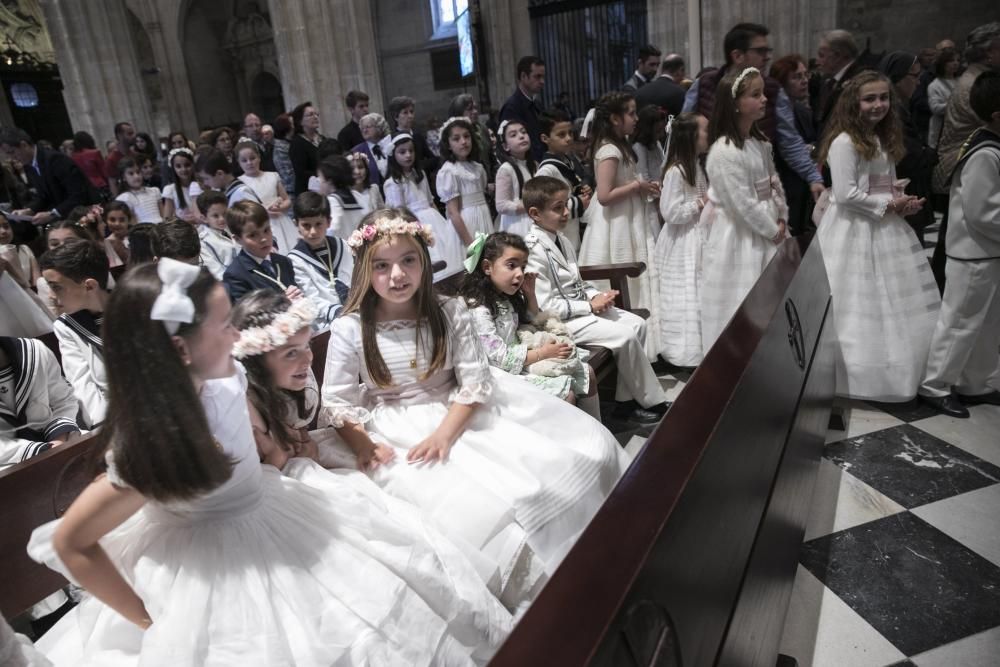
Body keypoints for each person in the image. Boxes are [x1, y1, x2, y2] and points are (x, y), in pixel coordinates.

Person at [27, 260, 511, 664]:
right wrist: (147, 620)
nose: (238, 333)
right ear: (181, 349)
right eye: (224, 325)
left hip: (275, 510)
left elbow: (255, 430)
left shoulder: (229, 374)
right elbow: (73, 543)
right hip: (214, 564)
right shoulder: (152, 447)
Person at [322, 208, 629, 607]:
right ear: (364, 269)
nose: (396, 276)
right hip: (394, 426)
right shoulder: (350, 328)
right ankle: (534, 597)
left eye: (408, 261)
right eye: (381, 266)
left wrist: (444, 434)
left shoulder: (449, 311)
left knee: (569, 458)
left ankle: (599, 559)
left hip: (461, 409)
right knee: (472, 509)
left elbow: (474, 380)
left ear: (423, 260)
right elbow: (337, 400)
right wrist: (363, 445)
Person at [815, 71, 940, 402]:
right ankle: (858, 374)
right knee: (856, 298)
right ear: (854, 103)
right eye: (869, 99)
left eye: (884, 97)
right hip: (853, 230)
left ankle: (898, 364)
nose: (878, 105)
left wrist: (903, 203)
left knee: (892, 299)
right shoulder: (844, 142)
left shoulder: (882, 139)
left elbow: (882, 182)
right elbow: (845, 195)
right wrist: (889, 203)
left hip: (884, 226)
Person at [523, 176, 669, 424]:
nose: (566, 212)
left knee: (637, 324)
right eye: (558, 208)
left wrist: (596, 295)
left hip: (579, 311)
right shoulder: (533, 249)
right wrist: (589, 306)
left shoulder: (562, 239)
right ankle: (651, 401)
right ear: (535, 214)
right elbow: (545, 305)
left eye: (566, 205)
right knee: (624, 336)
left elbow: (576, 281)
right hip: (557, 323)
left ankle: (626, 403)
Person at [919, 72, 1000, 417]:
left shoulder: (990, 145)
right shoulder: (985, 153)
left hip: (989, 251)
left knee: (987, 323)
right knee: (960, 321)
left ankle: (974, 383)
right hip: (973, 254)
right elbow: (983, 212)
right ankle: (935, 385)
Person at [684, 23, 825, 206]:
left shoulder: (773, 90)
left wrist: (813, 177)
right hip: (708, 184)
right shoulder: (705, 84)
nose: (767, 57)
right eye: (760, 51)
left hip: (754, 188)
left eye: (768, 50)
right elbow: (682, 133)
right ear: (737, 56)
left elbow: (790, 140)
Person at [699, 67, 789, 352]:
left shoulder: (760, 143)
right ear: (735, 103)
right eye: (755, 94)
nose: (764, 99)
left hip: (768, 224)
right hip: (740, 234)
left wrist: (783, 215)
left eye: (763, 93)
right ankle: (736, 355)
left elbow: (774, 183)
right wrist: (772, 230)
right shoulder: (724, 151)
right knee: (742, 293)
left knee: (772, 296)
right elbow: (740, 203)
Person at [460, 231, 595, 412]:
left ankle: (596, 430)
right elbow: (500, 359)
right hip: (502, 373)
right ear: (487, 267)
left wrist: (530, 294)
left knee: (588, 373)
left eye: (522, 267)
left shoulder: (504, 297)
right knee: (567, 394)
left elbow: (529, 321)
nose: (519, 273)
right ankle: (572, 437)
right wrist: (543, 353)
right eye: (511, 265)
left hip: (523, 359)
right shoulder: (479, 310)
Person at [577, 91, 662, 358]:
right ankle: (634, 348)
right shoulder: (609, 150)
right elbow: (604, 196)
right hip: (616, 225)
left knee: (640, 278)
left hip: (629, 219)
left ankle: (647, 347)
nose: (636, 118)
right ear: (615, 118)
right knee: (627, 278)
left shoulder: (620, 145)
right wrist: (637, 185)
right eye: (631, 113)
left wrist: (642, 187)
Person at [655, 112, 709, 367]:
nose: (709, 136)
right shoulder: (676, 171)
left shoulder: (695, 165)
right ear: (691, 136)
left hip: (698, 235)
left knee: (700, 293)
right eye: (705, 131)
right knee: (685, 293)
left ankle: (702, 348)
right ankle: (682, 353)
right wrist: (701, 203)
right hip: (682, 241)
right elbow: (671, 212)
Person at [40, 239, 110, 427]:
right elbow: (83, 385)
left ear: (89, 286)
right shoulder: (66, 326)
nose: (51, 296)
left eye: (56, 287)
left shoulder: (135, 305)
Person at [384, 133, 464, 281]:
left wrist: (441, 220)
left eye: (411, 151)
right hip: (413, 222)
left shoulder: (419, 174)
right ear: (393, 155)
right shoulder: (393, 182)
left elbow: (429, 200)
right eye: (402, 152)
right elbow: (398, 212)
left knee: (448, 254)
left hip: (432, 219)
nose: (408, 155)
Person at [879, 51, 938, 240]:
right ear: (897, 78)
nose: (919, 82)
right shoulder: (893, 111)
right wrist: (931, 154)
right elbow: (908, 156)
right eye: (915, 76)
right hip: (902, 193)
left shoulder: (900, 106)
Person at [0, 335, 79, 465]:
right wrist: (41, 450)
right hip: (8, 462)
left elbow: (64, 400)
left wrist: (58, 441)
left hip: (61, 439)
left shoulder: (35, 351)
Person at [1, 127, 99, 229]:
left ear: (24, 145)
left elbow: (78, 195)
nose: (11, 158)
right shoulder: (28, 165)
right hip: (66, 219)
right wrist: (29, 210)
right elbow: (43, 196)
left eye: (12, 152)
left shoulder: (55, 159)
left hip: (85, 215)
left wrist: (52, 214)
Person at [288, 191, 353, 331]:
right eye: (306, 225)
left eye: (318, 224)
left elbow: (355, 277)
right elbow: (311, 299)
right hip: (327, 323)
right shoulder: (295, 260)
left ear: (329, 222)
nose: (313, 231)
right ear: (296, 224)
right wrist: (339, 313)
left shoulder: (342, 244)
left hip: (356, 309)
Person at [771, 54, 820, 235]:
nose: (804, 81)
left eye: (806, 75)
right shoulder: (771, 114)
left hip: (804, 189)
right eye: (797, 77)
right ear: (781, 82)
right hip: (782, 186)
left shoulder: (803, 111)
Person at [221, 200, 300, 303]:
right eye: (253, 235)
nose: (263, 239)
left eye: (266, 230)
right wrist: (282, 303)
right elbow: (245, 314)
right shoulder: (236, 274)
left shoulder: (284, 262)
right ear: (237, 239)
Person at [536, 109, 592, 251]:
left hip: (570, 228)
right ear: (545, 138)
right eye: (561, 135)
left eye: (570, 133)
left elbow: (568, 189)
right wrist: (579, 202)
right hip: (559, 233)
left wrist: (581, 191)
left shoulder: (567, 160)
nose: (568, 138)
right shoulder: (546, 170)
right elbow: (545, 205)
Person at [437, 116, 493, 246]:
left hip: (483, 219)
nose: (463, 141)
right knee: (472, 261)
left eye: (467, 136)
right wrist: (470, 242)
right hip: (466, 225)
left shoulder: (478, 168)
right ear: (448, 145)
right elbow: (453, 212)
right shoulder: (449, 171)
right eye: (456, 139)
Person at [234, 139, 296, 255]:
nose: (249, 163)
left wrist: (281, 207)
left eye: (252, 158)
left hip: (280, 220)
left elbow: (287, 199)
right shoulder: (240, 183)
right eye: (244, 160)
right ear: (239, 162)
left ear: (259, 157)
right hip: (260, 225)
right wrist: (263, 211)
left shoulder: (272, 176)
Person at [813, 30, 869, 131]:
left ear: (838, 56)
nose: (817, 61)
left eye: (821, 55)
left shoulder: (861, 80)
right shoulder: (827, 81)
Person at [494, 119, 536, 237]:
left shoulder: (533, 165)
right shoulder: (506, 169)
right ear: (506, 146)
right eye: (514, 135)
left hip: (534, 216)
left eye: (523, 132)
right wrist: (529, 205)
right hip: (517, 222)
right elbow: (501, 205)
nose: (521, 136)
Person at [499, 56, 547, 160]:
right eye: (537, 77)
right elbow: (511, 145)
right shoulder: (511, 107)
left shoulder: (537, 104)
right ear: (523, 76)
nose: (542, 81)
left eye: (543, 77)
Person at [632, 104, 667, 239]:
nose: (660, 135)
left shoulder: (656, 144)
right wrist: (659, 195)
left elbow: (662, 167)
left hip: (660, 194)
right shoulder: (639, 147)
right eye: (657, 131)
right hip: (651, 200)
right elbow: (643, 177)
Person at [316, 155, 365, 241]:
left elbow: (333, 228)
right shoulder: (355, 195)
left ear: (329, 181)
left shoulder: (333, 200)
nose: (318, 181)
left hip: (343, 247)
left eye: (320, 178)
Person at [387, 95, 438, 176]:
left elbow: (433, 159)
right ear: (396, 117)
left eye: (411, 112)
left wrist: (418, 166)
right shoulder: (391, 139)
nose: (410, 116)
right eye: (405, 112)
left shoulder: (417, 136)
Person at [194, 148, 262, 208]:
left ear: (220, 174)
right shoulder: (221, 191)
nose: (205, 183)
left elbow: (257, 219)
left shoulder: (242, 193)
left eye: (206, 178)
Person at [194, 191, 238, 280]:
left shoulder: (235, 228)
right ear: (204, 218)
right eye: (215, 216)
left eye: (225, 214)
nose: (222, 219)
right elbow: (216, 273)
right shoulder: (203, 243)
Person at [289, 101, 328, 196]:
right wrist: (324, 174)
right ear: (300, 121)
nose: (315, 117)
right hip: (308, 192)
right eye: (310, 115)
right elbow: (301, 172)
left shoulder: (323, 139)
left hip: (327, 187)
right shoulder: (297, 143)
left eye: (316, 114)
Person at [927, 47, 960, 148]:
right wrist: (954, 103)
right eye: (951, 60)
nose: (955, 63)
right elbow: (935, 108)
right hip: (941, 131)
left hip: (958, 129)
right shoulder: (935, 85)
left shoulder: (961, 81)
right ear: (943, 63)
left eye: (957, 60)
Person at [115, 157, 164, 224]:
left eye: (138, 172)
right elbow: (131, 224)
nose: (136, 176)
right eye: (131, 173)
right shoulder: (124, 198)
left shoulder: (154, 191)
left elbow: (163, 215)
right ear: (123, 177)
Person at [352, 113, 392, 188]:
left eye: (368, 127)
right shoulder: (357, 151)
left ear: (379, 127)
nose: (364, 130)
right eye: (362, 128)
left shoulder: (392, 144)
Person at [0, 215, 40, 289]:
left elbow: (37, 282)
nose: (3, 231)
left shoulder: (24, 249)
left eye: (6, 226)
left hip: (30, 295)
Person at [161, 147, 198, 222]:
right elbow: (167, 218)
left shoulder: (200, 185)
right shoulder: (170, 189)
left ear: (193, 165)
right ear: (173, 168)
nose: (183, 169)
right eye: (178, 166)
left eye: (187, 165)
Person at [69, 131, 108, 198]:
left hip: (84, 189)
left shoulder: (72, 157)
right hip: (100, 186)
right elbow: (104, 172)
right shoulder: (95, 153)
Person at [103, 121, 135, 197]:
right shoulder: (111, 159)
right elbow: (113, 184)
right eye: (129, 134)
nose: (133, 136)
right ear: (120, 136)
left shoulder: (134, 154)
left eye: (133, 133)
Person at [348, 150, 384, 215]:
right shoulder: (345, 195)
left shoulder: (374, 189)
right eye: (351, 169)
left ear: (366, 169)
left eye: (360, 167)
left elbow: (383, 213)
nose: (357, 172)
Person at [270, 113, 296, 197]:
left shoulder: (291, 143)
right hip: (292, 193)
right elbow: (288, 176)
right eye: (292, 124)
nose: (295, 126)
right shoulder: (280, 148)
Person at [102, 202, 133, 268]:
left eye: (122, 220)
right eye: (112, 220)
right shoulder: (106, 243)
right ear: (106, 221)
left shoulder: (137, 237)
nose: (117, 224)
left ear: (129, 220)